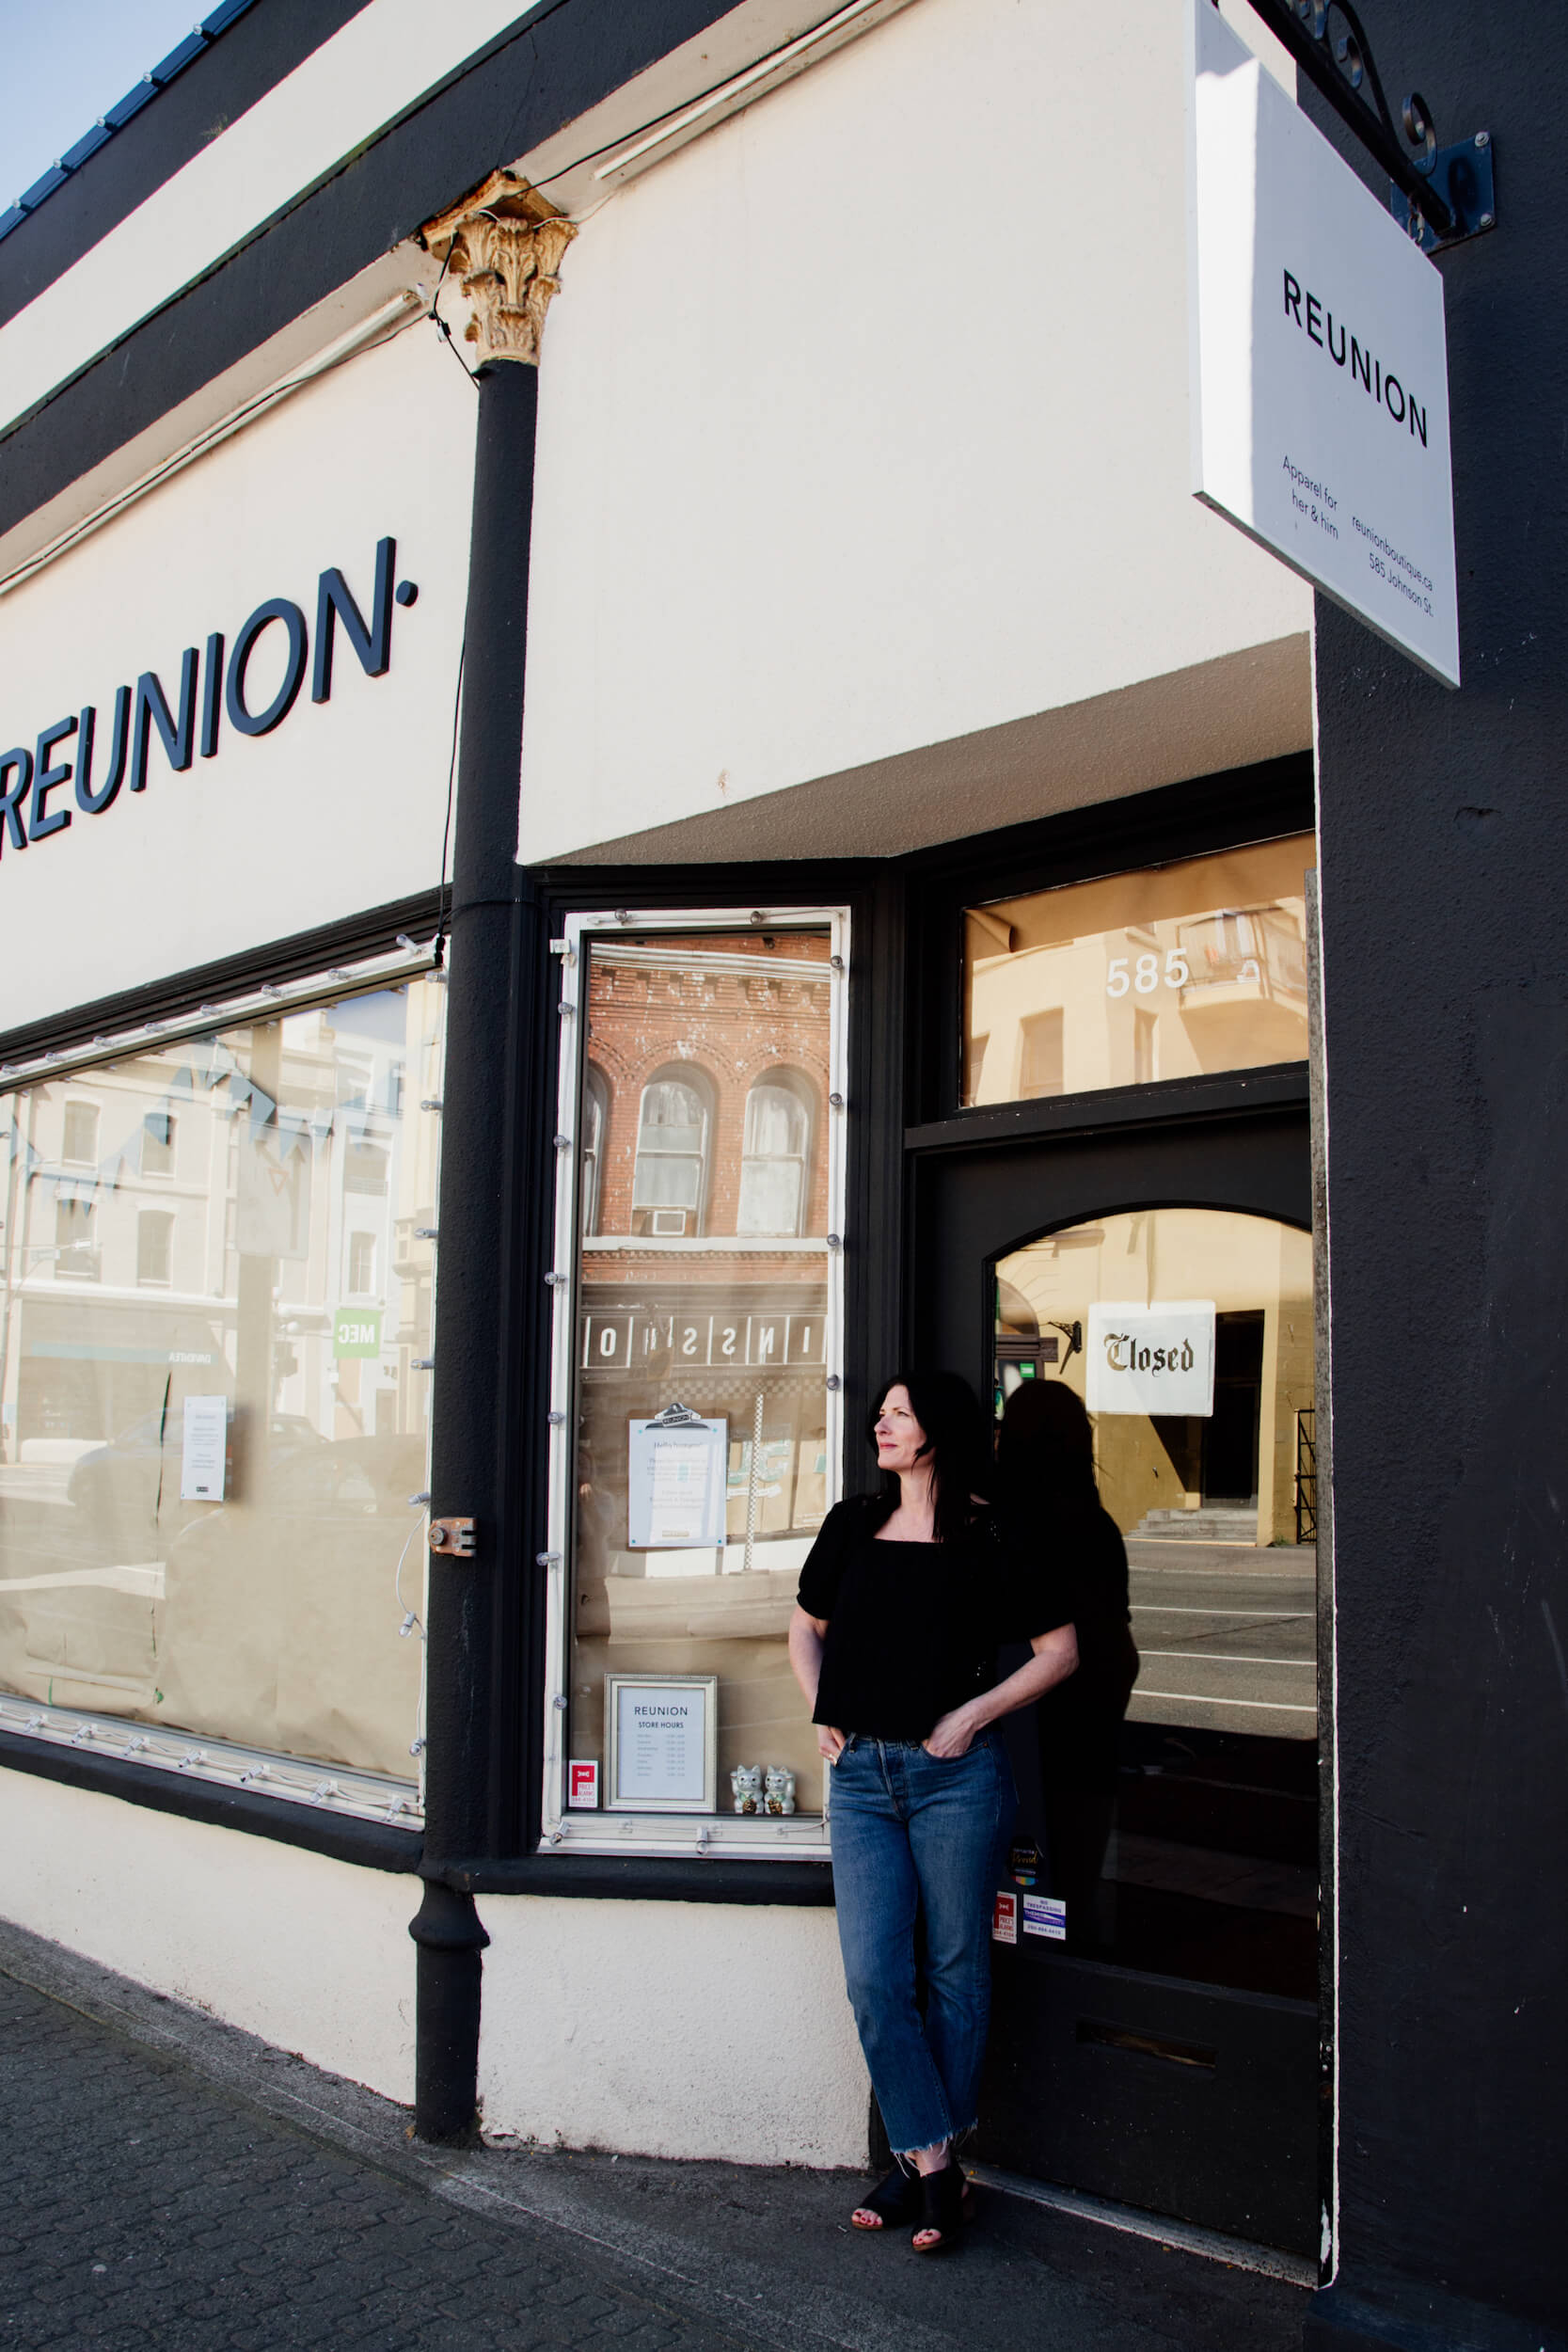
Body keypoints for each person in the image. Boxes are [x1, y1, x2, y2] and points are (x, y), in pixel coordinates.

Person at [788, 1371, 1080, 2254]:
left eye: (898, 1413)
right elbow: (803, 1626)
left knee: (955, 1969)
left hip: (956, 1778)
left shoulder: (994, 1532)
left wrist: (971, 1715)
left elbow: (1058, 1652)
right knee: (875, 1977)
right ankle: (935, 2166)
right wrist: (822, 1706)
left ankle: (917, 2166)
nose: (879, 1423)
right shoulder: (851, 1524)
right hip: (862, 1781)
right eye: (879, 1412)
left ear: (938, 1432)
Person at [994, 1381, 1138, 1946]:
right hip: (1085, 1734)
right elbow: (1117, 1651)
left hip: (1015, 1732)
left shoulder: (1005, 1526)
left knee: (1013, 1895)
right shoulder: (1094, 1526)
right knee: (1073, 1890)